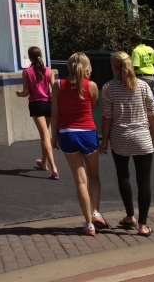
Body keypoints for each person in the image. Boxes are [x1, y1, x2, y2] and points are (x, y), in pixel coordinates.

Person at [99, 52, 154, 237]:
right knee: (144, 181)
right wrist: (153, 134)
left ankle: (130, 215)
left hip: (120, 137)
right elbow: (152, 113)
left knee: (123, 176)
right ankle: (143, 224)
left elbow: (107, 116)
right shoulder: (143, 86)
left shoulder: (108, 88)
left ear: (114, 68)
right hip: (142, 137)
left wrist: (105, 140)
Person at [51, 52, 108, 236]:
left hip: (67, 133)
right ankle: (96, 212)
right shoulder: (91, 86)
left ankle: (89, 224)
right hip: (88, 132)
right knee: (94, 176)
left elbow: (55, 114)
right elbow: (94, 106)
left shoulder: (58, 85)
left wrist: (54, 136)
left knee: (80, 180)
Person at [15, 46, 58, 179]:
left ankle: (54, 168)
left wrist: (20, 94)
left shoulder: (27, 72)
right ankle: (43, 162)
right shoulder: (48, 71)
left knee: (45, 136)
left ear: (30, 57)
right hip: (49, 104)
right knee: (46, 134)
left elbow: (26, 91)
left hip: (36, 104)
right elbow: (54, 87)